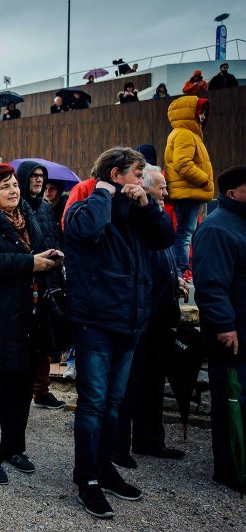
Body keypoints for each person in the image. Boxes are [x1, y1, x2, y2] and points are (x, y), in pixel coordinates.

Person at [63, 147, 174, 519]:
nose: (141, 182)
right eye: (137, 175)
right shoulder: (86, 205)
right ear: (116, 175)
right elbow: (86, 230)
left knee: (114, 402)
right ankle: (87, 478)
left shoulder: (138, 211)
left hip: (131, 321)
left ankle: (105, 466)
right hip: (94, 322)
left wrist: (146, 205)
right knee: (93, 404)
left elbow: (164, 239)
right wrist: (103, 193)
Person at [0, 164, 61, 486]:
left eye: (14, 185)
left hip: (28, 318)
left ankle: (14, 448)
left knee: (20, 391)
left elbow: (31, 253)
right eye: (5, 186)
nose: (14, 191)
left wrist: (45, 256)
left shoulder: (27, 219)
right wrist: (29, 262)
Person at [113, 165, 186, 469]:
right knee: (127, 388)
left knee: (153, 383)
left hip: (159, 317)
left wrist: (175, 281)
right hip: (140, 316)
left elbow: (165, 245)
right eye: (161, 187)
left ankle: (149, 440)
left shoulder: (154, 215)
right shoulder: (132, 214)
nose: (166, 193)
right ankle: (118, 448)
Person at [192, 165, 246, 494]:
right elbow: (211, 285)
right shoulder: (216, 228)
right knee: (233, 402)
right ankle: (232, 470)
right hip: (232, 335)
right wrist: (225, 325)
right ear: (232, 193)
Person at [15, 161, 67, 410]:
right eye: (34, 176)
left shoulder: (46, 208)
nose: (38, 180)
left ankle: (41, 390)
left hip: (48, 278)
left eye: (42, 177)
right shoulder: (15, 206)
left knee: (45, 338)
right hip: (25, 278)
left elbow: (54, 237)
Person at [164, 95, 214, 277]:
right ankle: (181, 269)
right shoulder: (184, 134)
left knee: (187, 232)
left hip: (189, 192)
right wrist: (203, 180)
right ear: (190, 113)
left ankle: (181, 268)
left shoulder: (186, 133)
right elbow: (182, 163)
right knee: (185, 233)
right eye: (201, 112)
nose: (203, 117)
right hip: (188, 192)